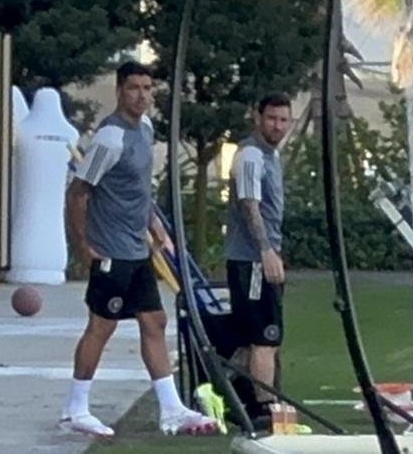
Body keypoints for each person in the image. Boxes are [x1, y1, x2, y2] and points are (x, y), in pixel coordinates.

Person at [61, 61, 217, 437]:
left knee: (154, 321)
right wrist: (83, 246)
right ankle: (75, 408)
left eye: (147, 88)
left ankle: (171, 408)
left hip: (137, 248)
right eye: (134, 88)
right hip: (111, 250)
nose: (142, 95)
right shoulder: (109, 138)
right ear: (119, 90)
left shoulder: (144, 129)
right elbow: (77, 193)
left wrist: (154, 224)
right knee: (102, 325)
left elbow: (140, 188)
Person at [224, 93, 291, 422]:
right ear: (257, 117)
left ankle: (233, 393)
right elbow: (249, 204)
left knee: (260, 336)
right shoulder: (250, 155)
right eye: (272, 119)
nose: (277, 126)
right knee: (264, 336)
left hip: (263, 256)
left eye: (283, 120)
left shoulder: (271, 156)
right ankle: (263, 408)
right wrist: (265, 250)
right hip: (251, 260)